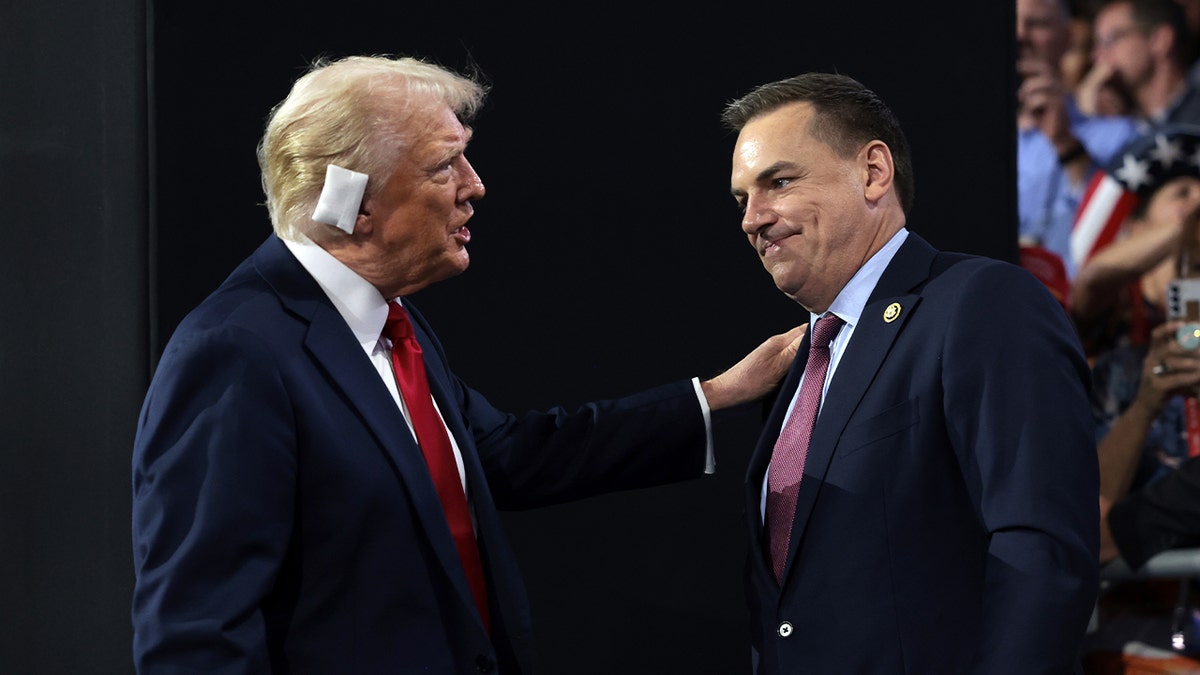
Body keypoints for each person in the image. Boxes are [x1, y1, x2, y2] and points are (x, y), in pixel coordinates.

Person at [130, 55, 804, 674]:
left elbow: (502, 452)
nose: (474, 187)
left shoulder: (389, 322)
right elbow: (196, 636)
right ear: (353, 203)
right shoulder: (236, 353)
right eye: (443, 166)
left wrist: (716, 394)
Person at [722, 72, 1100, 674]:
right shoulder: (806, 364)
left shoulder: (981, 304)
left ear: (874, 171)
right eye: (743, 199)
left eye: (780, 182)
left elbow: (1041, 549)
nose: (753, 219)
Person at [1018, 0, 1140, 283]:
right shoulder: (970, 139)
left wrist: (1065, 143)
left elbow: (1124, 227)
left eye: (1037, 24)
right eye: (1011, 24)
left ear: (1068, 38)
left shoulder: (1117, 134)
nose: (1020, 35)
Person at [1092, 0, 1200, 130]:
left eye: (1110, 40)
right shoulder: (1126, 132)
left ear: (1160, 40)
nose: (1097, 55)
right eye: (1097, 45)